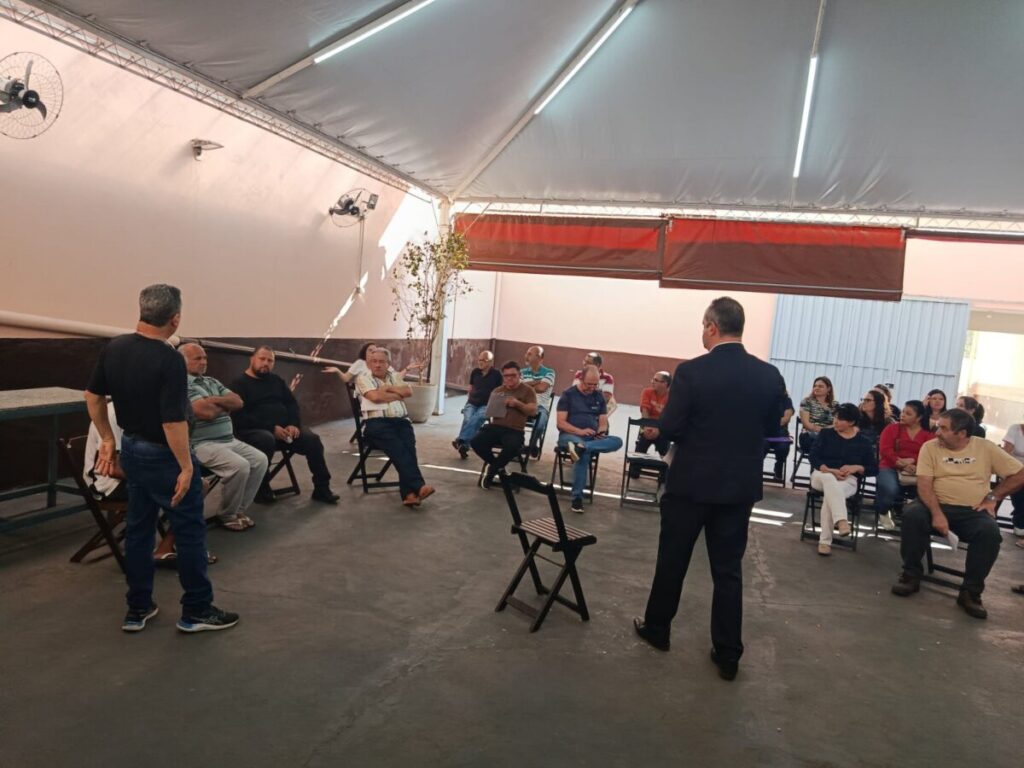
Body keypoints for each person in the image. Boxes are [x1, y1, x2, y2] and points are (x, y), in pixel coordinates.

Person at [633, 297, 786, 681]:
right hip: (738, 488)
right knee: (728, 570)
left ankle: (658, 629)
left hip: (691, 484)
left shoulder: (691, 372)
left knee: (673, 560)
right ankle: (728, 653)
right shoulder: (768, 375)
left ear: (712, 327)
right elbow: (772, 427)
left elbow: (671, 426)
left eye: (704, 326)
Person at [84, 284, 238, 634]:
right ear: (175, 318)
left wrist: (108, 439)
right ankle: (196, 610)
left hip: (133, 450)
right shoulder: (169, 359)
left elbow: (92, 396)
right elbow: (172, 421)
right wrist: (186, 466)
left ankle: (138, 608)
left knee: (139, 530)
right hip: (164, 455)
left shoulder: (115, 347)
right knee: (190, 531)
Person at [891, 409, 1024, 619]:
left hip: (972, 510)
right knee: (912, 515)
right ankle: (910, 575)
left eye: (943, 429)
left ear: (962, 433)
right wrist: (937, 513)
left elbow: (1020, 473)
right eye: (938, 427)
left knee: (990, 533)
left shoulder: (985, 448)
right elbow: (924, 485)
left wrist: (993, 497)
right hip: (934, 504)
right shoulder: (930, 447)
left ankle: (971, 592)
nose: (937, 433)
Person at [231, 346, 339, 505]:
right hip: (255, 431)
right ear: (252, 359)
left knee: (313, 440)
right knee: (265, 439)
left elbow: (291, 404)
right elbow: (240, 416)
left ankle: (322, 488)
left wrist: (293, 424)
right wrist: (271, 428)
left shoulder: (276, 381)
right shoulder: (239, 384)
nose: (266, 363)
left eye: (270, 360)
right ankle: (261, 489)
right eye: (262, 359)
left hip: (285, 430)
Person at [180, 343, 268, 531]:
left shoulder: (211, 381)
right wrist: (224, 405)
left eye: (205, 358)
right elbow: (206, 413)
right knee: (240, 466)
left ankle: (238, 510)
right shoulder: (182, 384)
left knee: (260, 460)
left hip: (228, 440)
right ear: (182, 362)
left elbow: (238, 402)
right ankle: (227, 515)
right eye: (198, 358)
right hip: (202, 444)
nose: (204, 362)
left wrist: (213, 400)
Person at [354, 347, 434, 507]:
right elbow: (375, 397)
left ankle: (409, 495)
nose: (377, 365)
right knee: (399, 449)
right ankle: (419, 486)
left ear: (388, 363)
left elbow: (408, 391)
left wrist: (388, 389)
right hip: (377, 424)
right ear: (369, 363)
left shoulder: (395, 376)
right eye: (374, 361)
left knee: (409, 449)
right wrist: (398, 395)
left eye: (381, 362)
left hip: (401, 421)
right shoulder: (363, 378)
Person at [809, 403, 878, 556]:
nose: (835, 421)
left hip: (848, 480)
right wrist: (830, 470)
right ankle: (841, 521)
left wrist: (857, 467)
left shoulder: (863, 442)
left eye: (840, 419)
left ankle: (825, 542)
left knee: (831, 495)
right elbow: (813, 457)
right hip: (822, 475)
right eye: (835, 417)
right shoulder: (826, 434)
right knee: (829, 481)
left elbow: (873, 468)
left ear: (851, 422)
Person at [556, 366, 624, 514]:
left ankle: (584, 446)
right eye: (589, 384)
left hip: (591, 438)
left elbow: (603, 421)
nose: (592, 388)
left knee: (617, 441)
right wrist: (580, 431)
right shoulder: (568, 395)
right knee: (583, 455)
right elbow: (560, 423)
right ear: (581, 379)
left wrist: (601, 431)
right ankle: (577, 498)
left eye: (595, 384)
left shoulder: (598, 396)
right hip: (570, 435)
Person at [470, 361, 537, 488]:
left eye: (513, 375)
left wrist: (518, 404)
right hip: (496, 427)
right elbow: (489, 413)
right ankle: (498, 468)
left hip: (515, 430)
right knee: (476, 442)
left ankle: (491, 471)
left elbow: (533, 411)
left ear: (519, 375)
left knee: (512, 446)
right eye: (506, 376)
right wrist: (495, 405)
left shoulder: (528, 390)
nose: (509, 378)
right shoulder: (498, 390)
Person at [875, 400, 934, 530]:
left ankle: (914, 519)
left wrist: (913, 461)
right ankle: (883, 511)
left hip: (916, 468)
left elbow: (930, 453)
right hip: (890, 465)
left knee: (927, 490)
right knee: (890, 488)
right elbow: (885, 450)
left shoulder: (928, 435)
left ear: (919, 418)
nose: (902, 415)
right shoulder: (892, 428)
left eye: (908, 413)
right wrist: (900, 463)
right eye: (902, 412)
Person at [452, 350, 502, 458]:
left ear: (490, 362)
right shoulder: (475, 372)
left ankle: (461, 440)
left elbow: (500, 390)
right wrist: (468, 400)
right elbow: (471, 388)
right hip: (472, 403)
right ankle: (464, 444)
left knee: (478, 417)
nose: (480, 362)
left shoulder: (497, 374)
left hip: (487, 404)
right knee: (468, 418)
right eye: (479, 360)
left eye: (483, 360)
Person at [84, 400, 127, 502]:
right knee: (159, 487)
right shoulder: (111, 414)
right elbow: (113, 470)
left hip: (129, 474)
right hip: (107, 484)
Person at [520, 345, 556, 458]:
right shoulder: (522, 372)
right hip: (524, 405)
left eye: (530, 354)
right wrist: (538, 381)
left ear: (539, 357)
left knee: (540, 424)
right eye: (526, 353)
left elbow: (542, 388)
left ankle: (532, 445)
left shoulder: (549, 372)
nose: (526, 356)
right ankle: (519, 444)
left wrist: (527, 385)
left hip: (541, 407)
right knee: (512, 417)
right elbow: (519, 388)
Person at [636, 371, 672, 457]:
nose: (652, 382)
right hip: (647, 426)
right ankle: (636, 464)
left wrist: (659, 430)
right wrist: (647, 426)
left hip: (663, 428)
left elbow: (670, 417)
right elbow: (645, 410)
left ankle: (663, 463)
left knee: (665, 454)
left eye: (655, 380)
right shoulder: (647, 392)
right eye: (653, 379)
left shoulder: (672, 397)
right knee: (639, 451)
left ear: (664, 383)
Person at [798, 377, 837, 453]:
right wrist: (825, 430)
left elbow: (836, 425)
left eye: (820, 386)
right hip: (809, 436)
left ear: (829, 389)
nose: (817, 388)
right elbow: (807, 425)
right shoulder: (807, 402)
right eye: (815, 386)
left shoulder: (835, 405)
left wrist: (825, 431)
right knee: (822, 446)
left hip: (828, 437)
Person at [763, 390, 795, 482]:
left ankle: (779, 466)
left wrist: (771, 423)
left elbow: (786, 418)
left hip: (780, 432)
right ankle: (756, 469)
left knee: (783, 447)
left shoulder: (787, 401)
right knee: (762, 445)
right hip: (764, 432)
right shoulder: (763, 398)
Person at [1001, 421, 1024, 542]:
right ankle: (1020, 522)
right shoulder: (1015, 429)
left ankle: (1019, 519)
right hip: (1014, 470)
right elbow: (1006, 453)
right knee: (1019, 485)